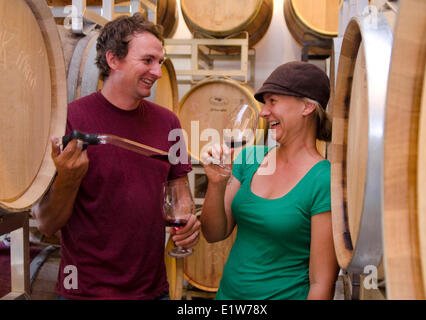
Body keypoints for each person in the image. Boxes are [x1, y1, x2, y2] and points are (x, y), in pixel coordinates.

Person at [32, 14, 200, 300]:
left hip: (151, 291)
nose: (158, 72)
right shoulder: (70, 119)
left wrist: (190, 223)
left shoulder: (169, 122)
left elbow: (179, 191)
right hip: (84, 292)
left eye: (160, 62)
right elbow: (47, 223)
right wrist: (69, 180)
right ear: (113, 59)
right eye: (148, 60)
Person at [200, 61, 339, 300]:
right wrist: (215, 183)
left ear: (306, 107)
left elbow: (321, 283)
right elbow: (214, 233)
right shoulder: (250, 157)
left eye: (272, 101)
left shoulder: (323, 179)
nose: (263, 111)